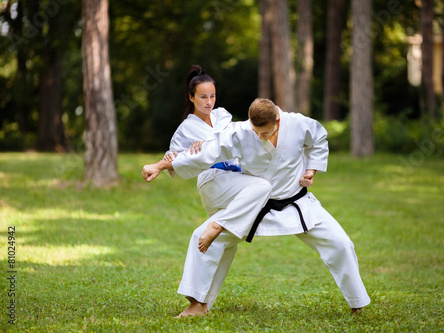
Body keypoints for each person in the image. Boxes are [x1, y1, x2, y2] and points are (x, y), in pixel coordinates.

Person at [142, 98, 371, 317]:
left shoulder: (298, 124)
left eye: (266, 132)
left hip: (296, 202)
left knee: (341, 243)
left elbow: (319, 138)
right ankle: (197, 305)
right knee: (201, 237)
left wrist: (312, 168)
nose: (260, 137)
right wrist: (161, 165)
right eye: (256, 131)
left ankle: (357, 303)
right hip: (254, 204)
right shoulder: (240, 132)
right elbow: (205, 153)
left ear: (277, 121)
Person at [143, 65, 272, 254]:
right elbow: (174, 157)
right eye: (203, 97)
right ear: (191, 97)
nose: (209, 102)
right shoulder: (185, 129)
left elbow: (232, 138)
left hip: (236, 176)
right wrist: (160, 164)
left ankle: (200, 278)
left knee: (225, 245)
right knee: (261, 187)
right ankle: (217, 225)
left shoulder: (222, 115)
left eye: (212, 96)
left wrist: (207, 142)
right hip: (213, 180)